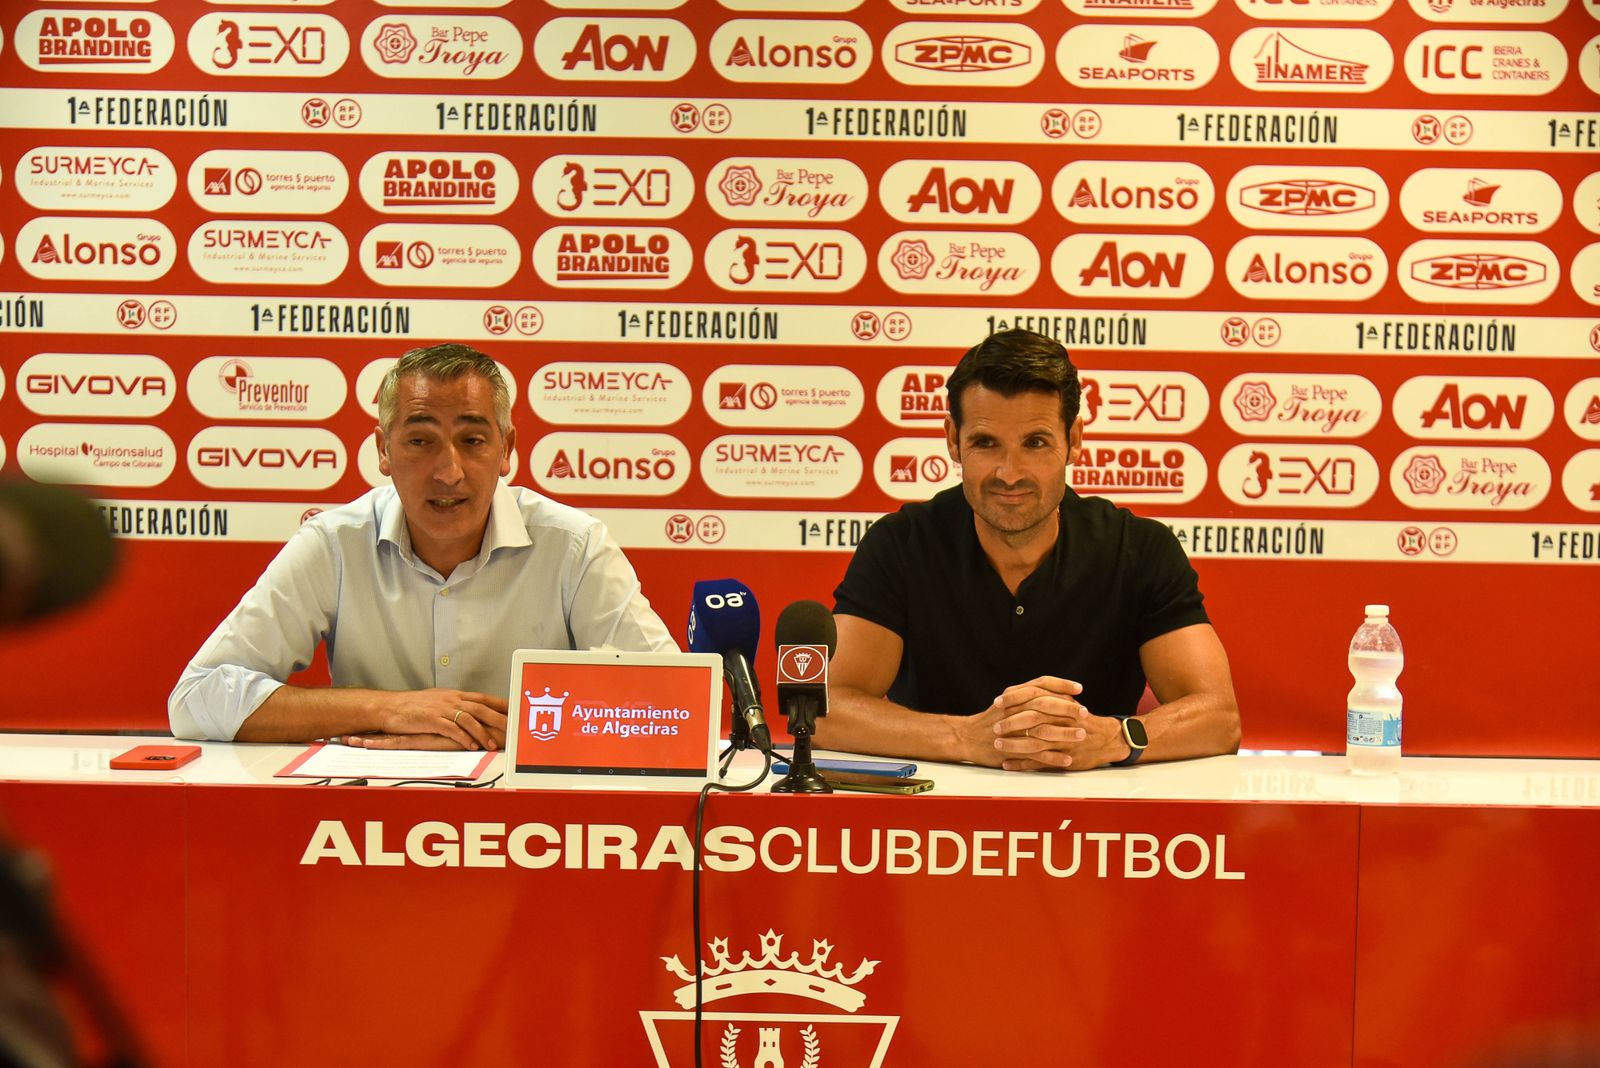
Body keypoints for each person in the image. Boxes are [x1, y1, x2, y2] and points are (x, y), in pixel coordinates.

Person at [169, 344, 675, 750]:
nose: (449, 471)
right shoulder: (334, 543)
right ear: (383, 451)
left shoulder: (574, 546)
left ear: (507, 451)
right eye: (420, 441)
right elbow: (196, 698)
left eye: (473, 441)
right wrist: (388, 709)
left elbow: (674, 707)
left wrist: (524, 732)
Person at [819, 329, 1239, 772]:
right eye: (985, 443)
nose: (1009, 472)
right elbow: (826, 712)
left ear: (1074, 439)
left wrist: (1111, 739)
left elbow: (1219, 718)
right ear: (952, 439)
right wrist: (967, 738)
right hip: (931, 822)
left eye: (1035, 443)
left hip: (1105, 823)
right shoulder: (901, 543)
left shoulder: (1138, 547)